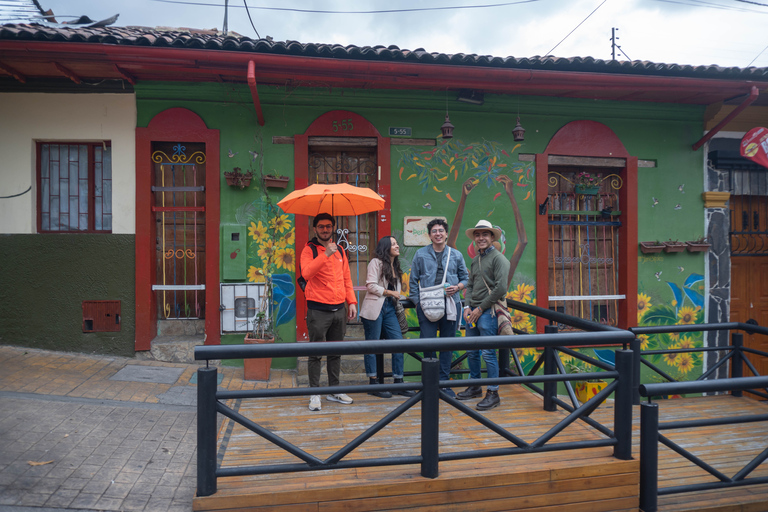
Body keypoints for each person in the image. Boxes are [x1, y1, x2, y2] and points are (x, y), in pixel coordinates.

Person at [300, 212, 357, 411]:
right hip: (318, 309)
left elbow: (346, 279)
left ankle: (334, 390)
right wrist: (325, 254)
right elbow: (306, 273)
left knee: (336, 352)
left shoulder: (340, 250)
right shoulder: (309, 250)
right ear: (315, 229)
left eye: (328, 226)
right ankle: (313, 393)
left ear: (333, 228)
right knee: (315, 353)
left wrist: (351, 301)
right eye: (321, 226)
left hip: (339, 308)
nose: (325, 229)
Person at [409, 218, 469, 397]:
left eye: (441, 230)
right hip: (427, 305)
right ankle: (429, 382)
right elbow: (413, 281)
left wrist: (457, 287)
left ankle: (443, 383)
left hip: (451, 304)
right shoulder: (420, 254)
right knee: (427, 342)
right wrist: (417, 303)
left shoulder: (456, 255)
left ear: (446, 233)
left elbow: (465, 278)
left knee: (446, 344)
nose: (438, 234)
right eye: (434, 231)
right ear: (429, 235)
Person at [458, 219, 511, 411]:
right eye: (477, 235)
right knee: (472, 351)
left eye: (485, 234)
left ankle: (493, 392)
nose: (481, 238)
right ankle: (475, 386)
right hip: (473, 312)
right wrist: (466, 307)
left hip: (488, 312)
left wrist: (480, 308)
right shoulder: (475, 259)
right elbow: (470, 285)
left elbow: (501, 289)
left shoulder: (499, 259)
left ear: (491, 237)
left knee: (488, 353)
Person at [359, 236, 416, 399]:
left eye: (396, 243)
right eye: (393, 244)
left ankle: (398, 382)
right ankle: (374, 383)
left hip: (390, 308)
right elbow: (370, 285)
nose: (397, 246)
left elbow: (396, 291)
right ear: (386, 248)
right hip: (375, 307)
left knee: (398, 343)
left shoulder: (395, 266)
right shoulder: (375, 263)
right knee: (372, 346)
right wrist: (389, 292)